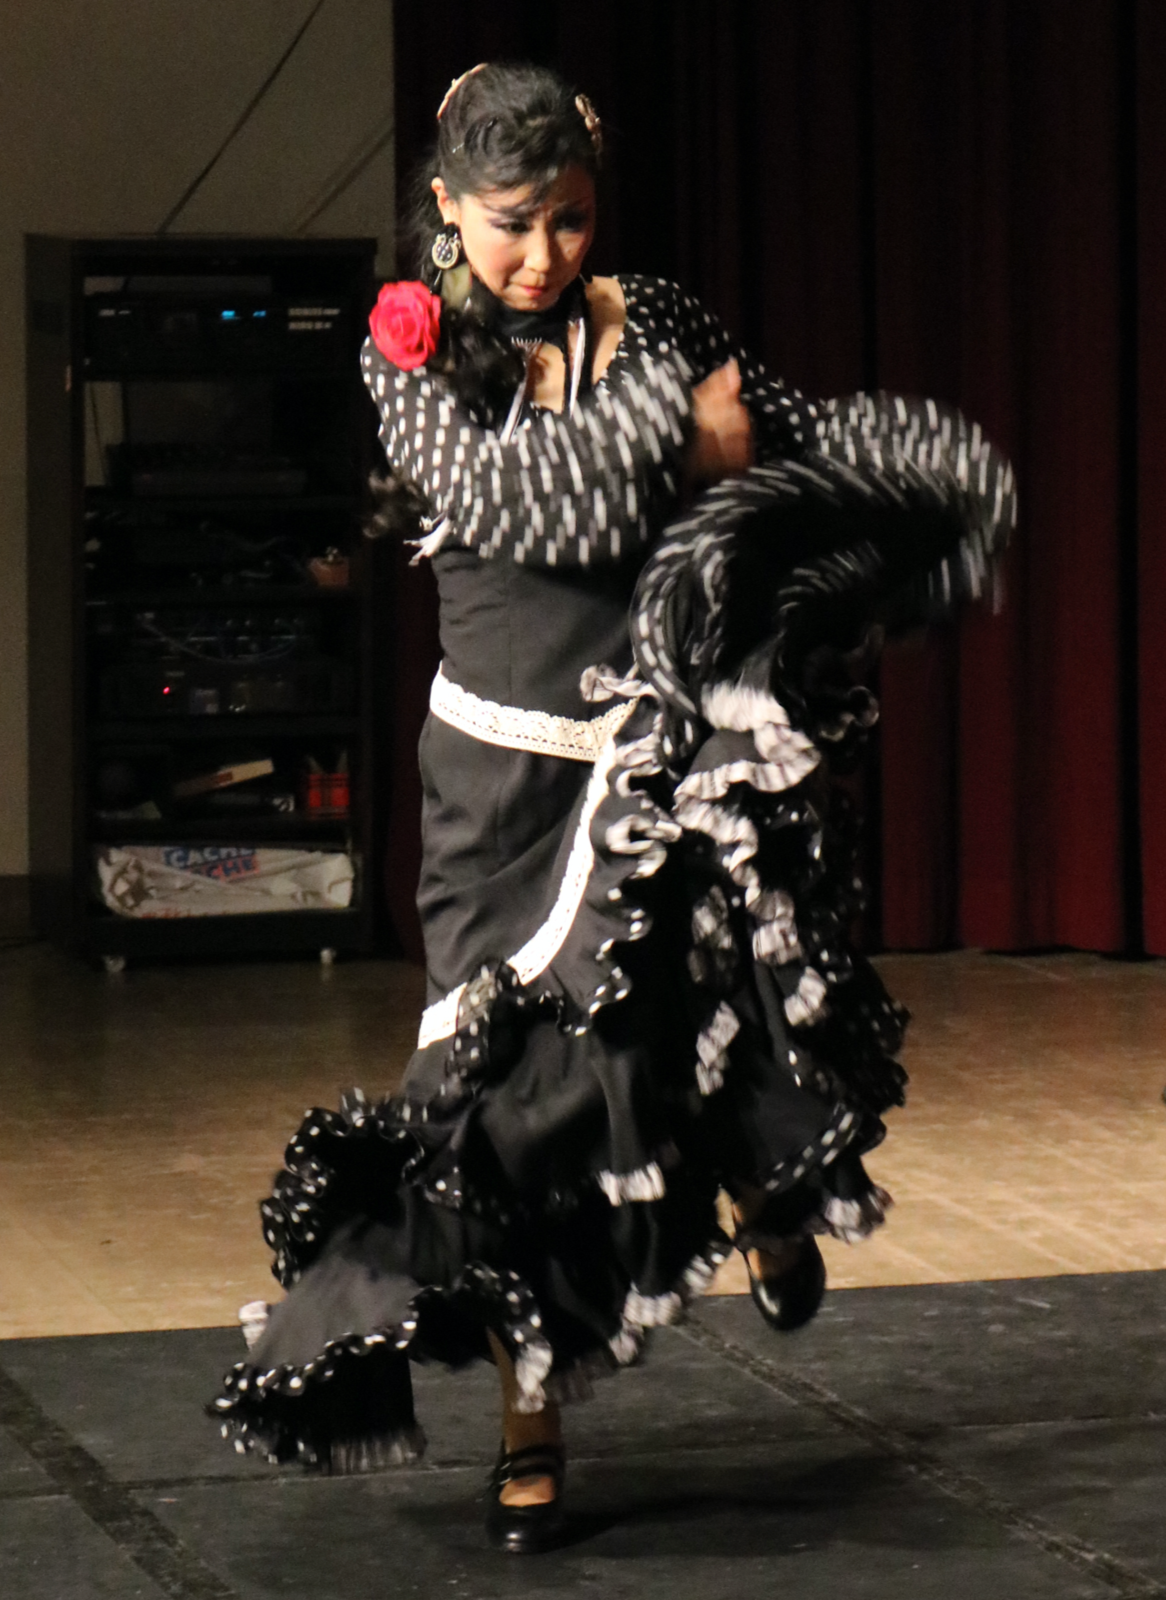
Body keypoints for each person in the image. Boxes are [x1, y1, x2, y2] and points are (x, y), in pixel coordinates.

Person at [210, 61, 1015, 1554]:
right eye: (512, 223)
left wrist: (906, 486)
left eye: (571, 221)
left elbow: (784, 424)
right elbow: (542, 512)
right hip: (495, 797)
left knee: (710, 1006)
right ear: (448, 205)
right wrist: (681, 432)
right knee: (509, 1106)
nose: (542, 255)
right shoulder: (409, 356)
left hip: (650, 753)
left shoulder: (658, 318)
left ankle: (766, 1201)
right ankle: (532, 1416)